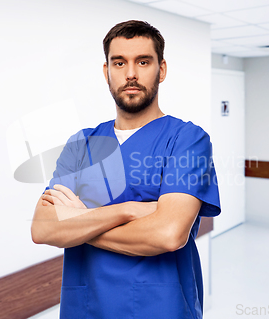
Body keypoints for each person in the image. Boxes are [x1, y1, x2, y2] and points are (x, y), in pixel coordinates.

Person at [31, 20, 220, 319]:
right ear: (107, 72)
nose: (130, 73)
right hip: (85, 308)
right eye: (119, 62)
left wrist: (79, 224)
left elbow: (168, 234)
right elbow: (43, 228)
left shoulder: (186, 140)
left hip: (159, 309)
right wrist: (131, 210)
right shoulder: (82, 143)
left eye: (143, 61)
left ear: (162, 69)